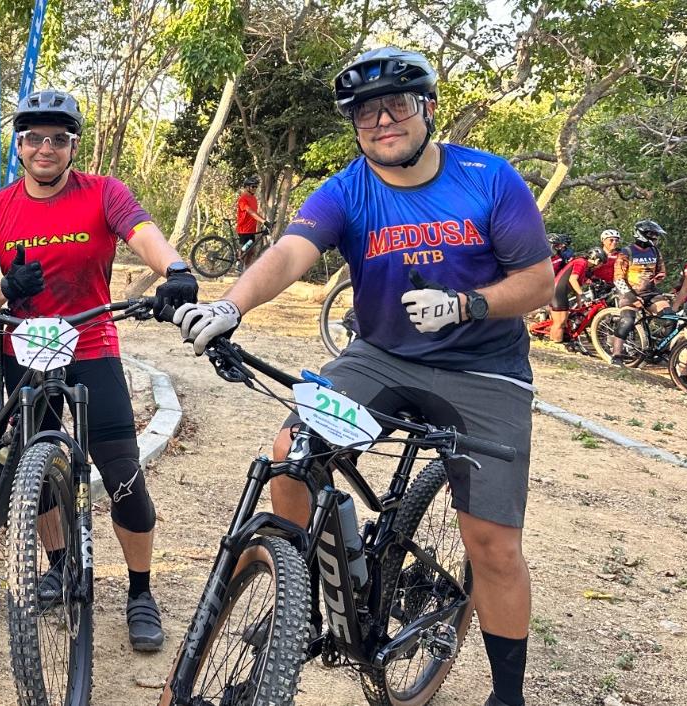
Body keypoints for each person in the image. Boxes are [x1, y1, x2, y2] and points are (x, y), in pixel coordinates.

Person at [172, 48, 550, 706]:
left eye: (396, 105)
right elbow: (292, 249)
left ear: (426, 110)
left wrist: (468, 304)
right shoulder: (348, 188)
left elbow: (538, 283)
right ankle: (308, 601)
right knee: (291, 457)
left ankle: (507, 694)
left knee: (489, 541)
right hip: (379, 355)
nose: (382, 121)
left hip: (485, 368)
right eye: (365, 112)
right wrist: (231, 304)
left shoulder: (488, 178)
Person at [0, 89, 198, 652]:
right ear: (18, 146)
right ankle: (59, 564)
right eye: (35, 138)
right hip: (23, 348)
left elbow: (142, 232)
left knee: (120, 466)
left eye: (59, 139)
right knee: (35, 461)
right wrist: (3, 289)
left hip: (91, 342)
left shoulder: (102, 193)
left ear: (73, 146)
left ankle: (140, 592)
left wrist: (175, 268)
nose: (46, 148)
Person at [611, 220, 669, 365]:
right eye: (652, 234)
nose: (655, 237)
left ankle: (657, 349)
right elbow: (618, 279)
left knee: (671, 320)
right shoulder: (626, 252)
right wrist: (632, 297)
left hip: (650, 293)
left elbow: (661, 270)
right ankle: (616, 355)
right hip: (629, 293)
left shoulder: (655, 251)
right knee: (627, 321)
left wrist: (659, 277)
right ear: (641, 234)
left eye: (656, 235)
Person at [550, 247, 604, 345]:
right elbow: (573, 280)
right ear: (596, 259)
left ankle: (556, 341)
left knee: (562, 321)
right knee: (560, 322)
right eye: (601, 263)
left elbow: (577, 288)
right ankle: (555, 344)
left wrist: (580, 306)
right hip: (557, 291)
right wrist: (582, 295)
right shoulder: (581, 262)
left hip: (560, 292)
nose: (600, 266)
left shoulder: (584, 268)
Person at [235, 175, 269, 267]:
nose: (255, 188)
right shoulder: (243, 199)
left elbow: (255, 213)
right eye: (253, 186)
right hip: (243, 229)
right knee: (244, 248)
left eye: (256, 187)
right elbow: (250, 212)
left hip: (251, 229)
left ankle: (245, 270)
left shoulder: (253, 199)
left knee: (250, 251)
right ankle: (238, 263)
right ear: (247, 187)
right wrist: (263, 221)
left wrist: (264, 221)